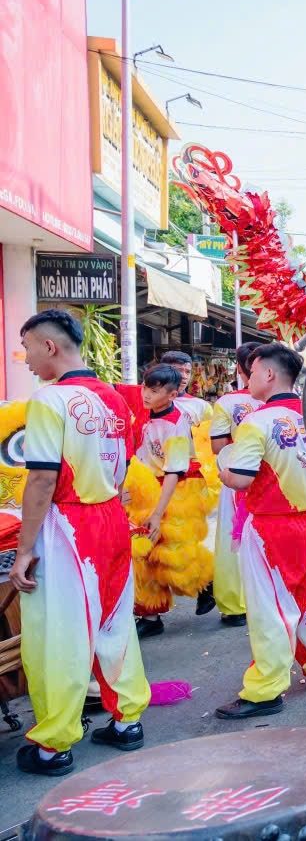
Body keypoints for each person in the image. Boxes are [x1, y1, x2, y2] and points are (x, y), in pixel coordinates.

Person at [9, 310, 151, 776]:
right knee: (114, 623)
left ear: (50, 346)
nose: (24, 357)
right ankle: (128, 720)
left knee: (59, 635)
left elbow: (42, 481)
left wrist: (25, 549)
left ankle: (54, 745)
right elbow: (125, 465)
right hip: (111, 520)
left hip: (68, 527)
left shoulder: (50, 401)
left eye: (27, 346)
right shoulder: (116, 398)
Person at [215, 344, 306, 718]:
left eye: (252, 372)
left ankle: (266, 688)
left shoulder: (257, 421)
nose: (248, 379)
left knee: (270, 608)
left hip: (274, 525)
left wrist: (223, 464)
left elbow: (239, 478)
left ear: (269, 374)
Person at [133, 365, 213, 639]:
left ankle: (206, 585)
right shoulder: (144, 415)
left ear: (172, 394)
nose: (147, 394)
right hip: (151, 487)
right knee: (144, 555)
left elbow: (173, 472)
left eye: (154, 391)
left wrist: (157, 512)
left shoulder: (176, 423)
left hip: (178, 489)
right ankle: (150, 613)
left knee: (173, 554)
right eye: (146, 387)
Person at [206, 342, 262, 627]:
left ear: (240, 369)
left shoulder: (226, 403)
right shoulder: (277, 400)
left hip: (236, 475)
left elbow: (217, 447)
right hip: (271, 476)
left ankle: (234, 606)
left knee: (232, 538)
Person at [160, 350, 212, 426]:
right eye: (178, 370)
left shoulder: (201, 406)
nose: (184, 376)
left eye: (188, 372)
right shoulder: (148, 401)